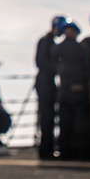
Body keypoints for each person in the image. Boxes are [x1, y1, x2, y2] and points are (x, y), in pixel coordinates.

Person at [53, 19, 90, 160]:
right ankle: (85, 152)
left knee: (64, 122)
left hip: (64, 88)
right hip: (79, 88)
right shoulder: (82, 48)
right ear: (76, 33)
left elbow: (52, 66)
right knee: (82, 121)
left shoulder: (57, 48)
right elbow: (89, 67)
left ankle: (64, 151)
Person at [35, 16, 64, 160]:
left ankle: (48, 148)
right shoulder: (46, 42)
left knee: (49, 115)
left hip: (47, 81)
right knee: (47, 116)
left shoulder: (48, 41)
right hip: (45, 82)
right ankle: (46, 149)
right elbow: (41, 62)